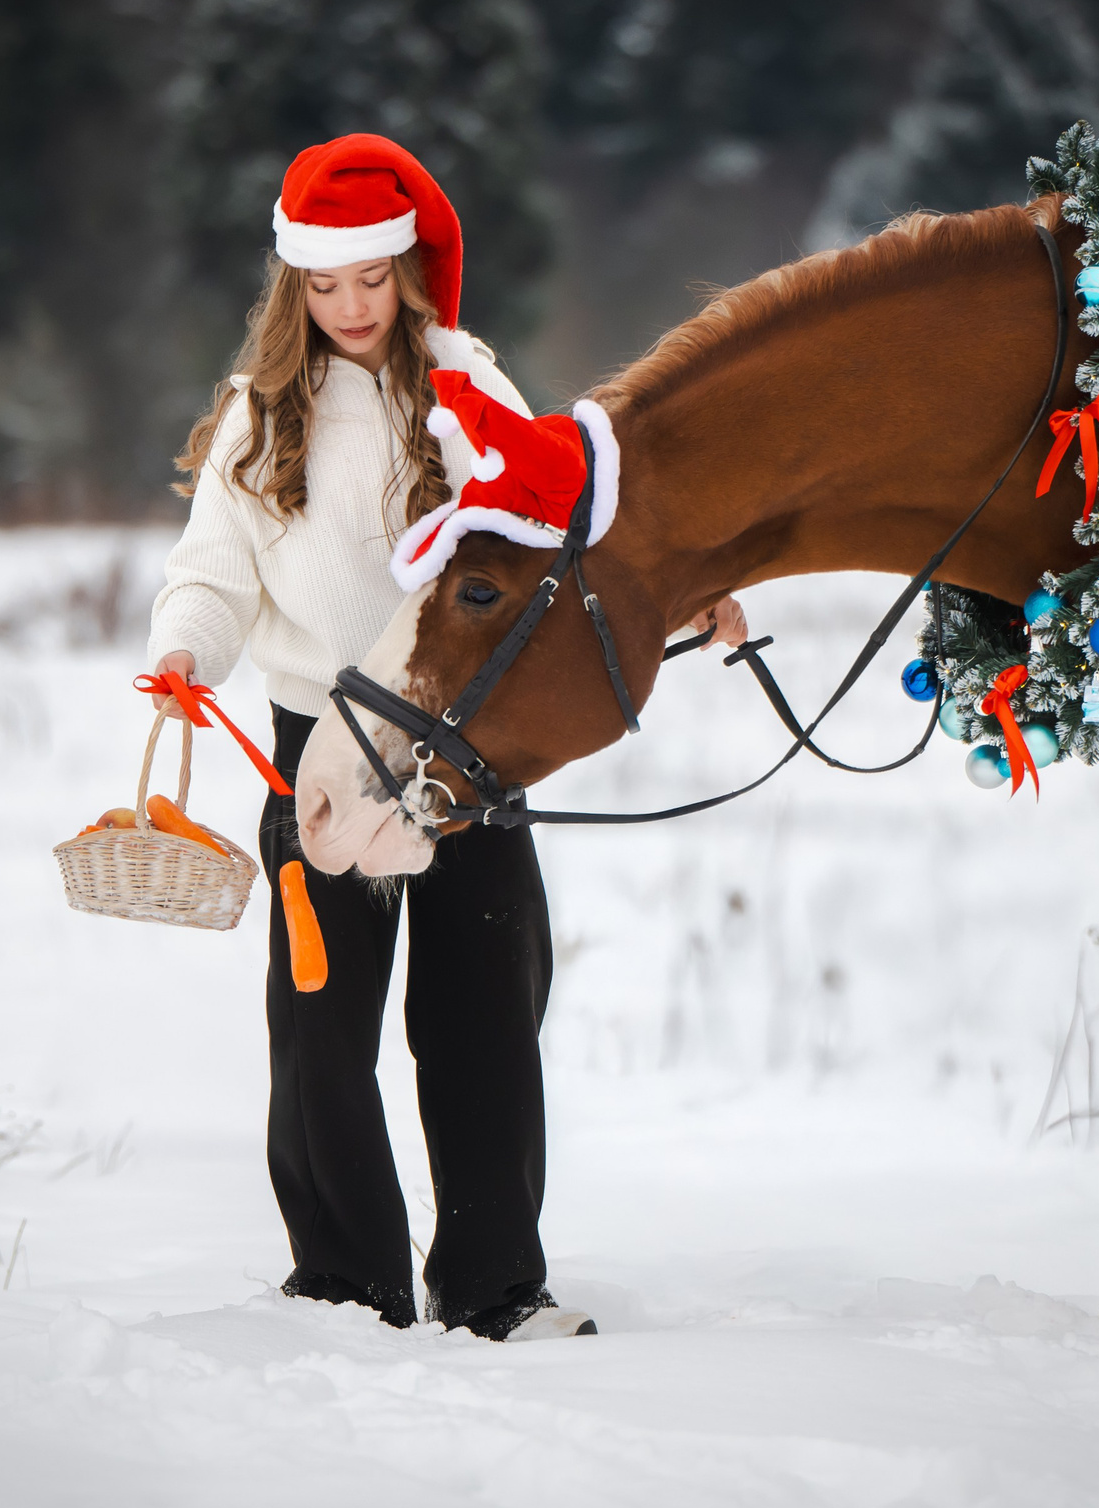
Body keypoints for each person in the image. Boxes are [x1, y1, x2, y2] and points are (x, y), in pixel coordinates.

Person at [146, 134, 744, 1341]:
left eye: (371, 278)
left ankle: (492, 1284)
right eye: (324, 284)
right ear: (293, 287)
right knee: (322, 1032)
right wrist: (181, 654)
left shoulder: (466, 385)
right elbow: (211, 575)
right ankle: (345, 1286)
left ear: (405, 272)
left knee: (482, 1015)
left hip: (465, 750)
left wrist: (680, 593)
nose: (351, 306)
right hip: (315, 744)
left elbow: (554, 542)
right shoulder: (258, 423)